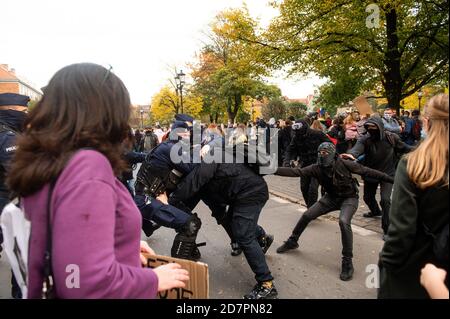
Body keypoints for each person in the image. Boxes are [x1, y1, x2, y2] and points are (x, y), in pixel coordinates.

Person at [6, 63, 189, 298]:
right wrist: (152, 279)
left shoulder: (53, 159)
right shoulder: (87, 166)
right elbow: (81, 283)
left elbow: (63, 238)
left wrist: (119, 246)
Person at [276, 142, 394, 281]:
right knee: (307, 215)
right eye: (320, 153)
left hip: (349, 199)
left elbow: (367, 171)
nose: (322, 155)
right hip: (330, 198)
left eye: (325, 152)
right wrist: (272, 169)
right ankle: (292, 241)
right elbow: (297, 172)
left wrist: (391, 179)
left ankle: (347, 261)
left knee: (344, 222)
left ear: (332, 153)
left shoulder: (345, 164)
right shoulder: (316, 168)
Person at [169, 153, 277, 299]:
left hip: (251, 193)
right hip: (240, 196)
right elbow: (194, 199)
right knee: (237, 226)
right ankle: (262, 237)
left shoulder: (206, 163)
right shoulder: (201, 176)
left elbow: (191, 184)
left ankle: (267, 284)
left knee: (243, 235)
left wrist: (170, 200)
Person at [378, 94, 448, 298]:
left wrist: (386, 264)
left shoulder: (414, 164)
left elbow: (401, 230)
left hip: (419, 268)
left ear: (426, 122)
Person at [134, 116, 205, 261]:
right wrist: (199, 149)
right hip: (148, 200)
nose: (189, 137)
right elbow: (192, 168)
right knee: (190, 224)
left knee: (192, 220)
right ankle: (179, 267)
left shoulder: (169, 146)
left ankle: (189, 250)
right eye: (186, 134)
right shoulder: (170, 149)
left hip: (152, 197)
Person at [341, 116, 413, 236]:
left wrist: (422, 150)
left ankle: (387, 229)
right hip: (371, 172)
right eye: (368, 127)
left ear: (380, 127)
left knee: (385, 201)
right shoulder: (365, 139)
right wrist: (350, 155)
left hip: (387, 174)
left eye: (373, 127)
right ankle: (375, 211)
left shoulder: (391, 138)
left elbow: (405, 148)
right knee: (368, 198)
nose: (371, 130)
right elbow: (356, 150)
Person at [0, 92, 30, 299]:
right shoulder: (9, 138)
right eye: (24, 111)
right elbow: (21, 176)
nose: (27, 115)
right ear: (10, 111)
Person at [283, 119, 330, 208]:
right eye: (296, 132)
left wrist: (326, 157)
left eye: (299, 131)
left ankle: (311, 209)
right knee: (304, 187)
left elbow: (330, 145)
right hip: (305, 165)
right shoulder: (296, 137)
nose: (298, 134)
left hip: (317, 165)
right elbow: (290, 150)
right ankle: (310, 206)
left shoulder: (317, 134)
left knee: (313, 188)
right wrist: (286, 162)